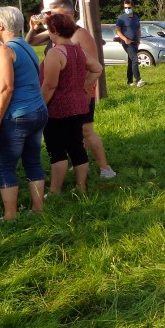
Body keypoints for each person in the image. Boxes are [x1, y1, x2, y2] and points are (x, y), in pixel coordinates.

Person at [26, 0, 117, 179]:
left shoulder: (79, 33)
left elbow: (94, 65)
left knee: (86, 130)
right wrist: (32, 29)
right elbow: (30, 42)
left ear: (67, 12)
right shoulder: (57, 32)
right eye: (46, 14)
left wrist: (85, 90)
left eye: (51, 13)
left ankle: (105, 168)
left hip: (80, 93)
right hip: (65, 95)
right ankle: (78, 165)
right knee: (74, 135)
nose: (48, 17)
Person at [0, 6, 48, 221]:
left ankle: (10, 216)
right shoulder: (24, 46)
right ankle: (38, 210)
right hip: (37, 112)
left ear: (0, 25)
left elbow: (6, 88)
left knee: (5, 165)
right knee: (33, 162)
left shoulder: (5, 51)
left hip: (16, 116)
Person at [39, 12, 103, 195]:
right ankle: (81, 186)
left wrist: (40, 106)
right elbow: (97, 68)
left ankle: (55, 190)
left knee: (56, 149)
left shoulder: (55, 53)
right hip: (79, 106)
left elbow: (50, 85)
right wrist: (85, 86)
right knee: (76, 145)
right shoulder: (78, 50)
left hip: (57, 109)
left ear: (54, 30)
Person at [115, 0, 144, 87]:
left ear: (133, 7)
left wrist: (138, 40)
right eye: (125, 8)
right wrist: (125, 39)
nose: (127, 9)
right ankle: (138, 80)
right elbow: (117, 30)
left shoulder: (136, 18)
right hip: (127, 43)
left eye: (129, 7)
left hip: (135, 42)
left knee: (131, 61)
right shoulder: (121, 18)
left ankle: (130, 81)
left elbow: (138, 29)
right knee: (135, 59)